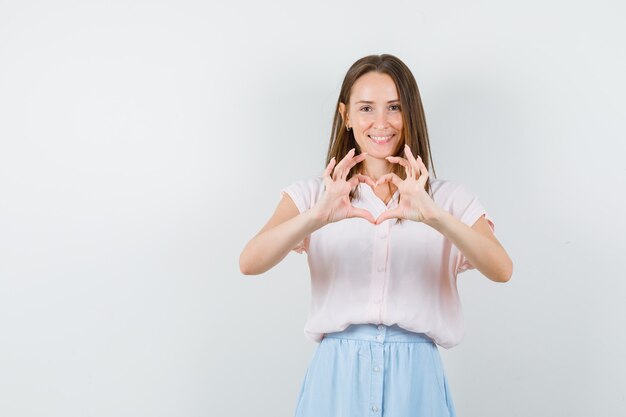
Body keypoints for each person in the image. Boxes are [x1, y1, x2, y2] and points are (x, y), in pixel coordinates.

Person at [239, 54, 513, 417]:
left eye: (395, 107)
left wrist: (435, 217)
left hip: (416, 380)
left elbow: (501, 268)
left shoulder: (448, 199)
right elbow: (250, 261)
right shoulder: (311, 195)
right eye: (366, 108)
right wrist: (317, 216)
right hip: (336, 376)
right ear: (346, 116)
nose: (381, 123)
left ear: (411, 112)